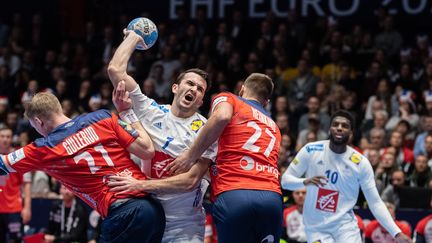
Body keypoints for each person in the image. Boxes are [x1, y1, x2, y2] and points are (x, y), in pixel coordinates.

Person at [0, 90, 165, 243]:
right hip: (153, 209)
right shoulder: (103, 117)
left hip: (123, 213)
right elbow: (147, 151)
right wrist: (127, 113)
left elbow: (3, 165)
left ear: (38, 121)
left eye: (34, 126)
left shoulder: (45, 147)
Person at [107, 29, 217, 243]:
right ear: (175, 87)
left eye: (200, 89)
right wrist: (133, 37)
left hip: (184, 225)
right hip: (148, 217)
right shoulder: (150, 111)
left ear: (201, 101)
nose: (194, 89)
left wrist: (139, 185)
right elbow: (115, 70)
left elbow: (191, 180)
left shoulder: (206, 130)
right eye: (190, 84)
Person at [168, 73, 283, 243]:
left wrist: (191, 155)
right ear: (266, 101)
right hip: (272, 198)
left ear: (242, 90)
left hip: (234, 193)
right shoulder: (274, 126)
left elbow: (221, 117)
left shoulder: (229, 98)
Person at [281, 110, 412, 243]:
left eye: (344, 126)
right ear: (329, 128)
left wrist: (396, 233)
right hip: (316, 228)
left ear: (351, 132)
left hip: (345, 228)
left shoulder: (360, 162)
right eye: (336, 124)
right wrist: (305, 182)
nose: (339, 128)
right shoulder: (311, 150)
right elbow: (285, 181)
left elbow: (375, 202)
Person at [0, 126, 31, 243]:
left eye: (8, 137)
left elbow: (27, 184)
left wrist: (27, 207)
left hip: (14, 209)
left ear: (12, 139)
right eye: (2, 136)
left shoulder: (17, 157)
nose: (5, 139)